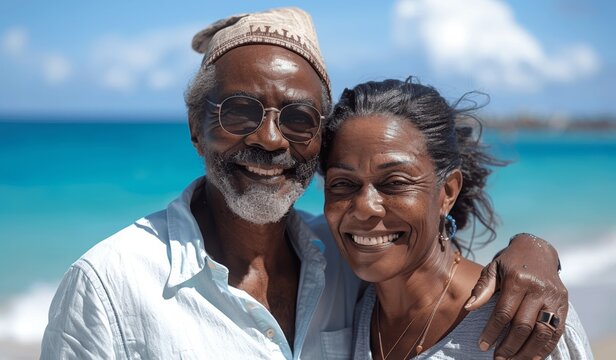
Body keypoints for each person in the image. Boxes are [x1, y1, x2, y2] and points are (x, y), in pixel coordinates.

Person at [41, 7, 568, 359]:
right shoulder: (110, 285)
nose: (271, 140)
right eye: (241, 111)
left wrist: (534, 250)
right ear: (196, 129)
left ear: (318, 144)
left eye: (297, 119)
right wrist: (536, 248)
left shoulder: (348, 258)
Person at [320, 78, 593, 359]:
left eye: (395, 182)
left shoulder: (525, 325)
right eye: (343, 183)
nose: (365, 207)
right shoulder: (341, 301)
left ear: (447, 191)